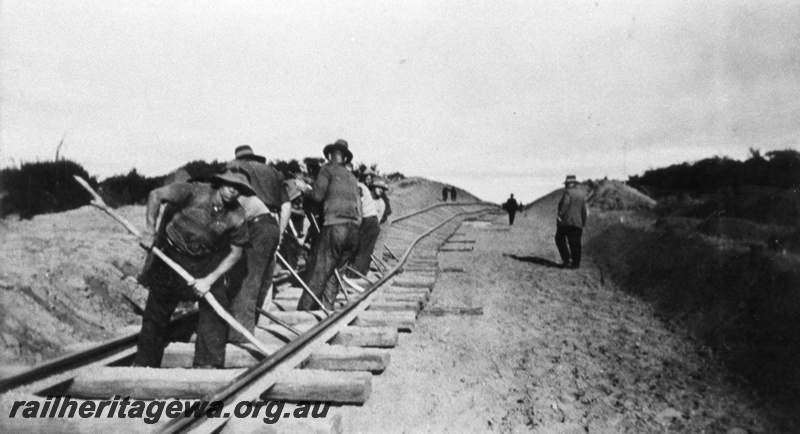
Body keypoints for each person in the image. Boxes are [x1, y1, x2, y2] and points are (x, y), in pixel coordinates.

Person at [134, 171, 254, 368]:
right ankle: (145, 362)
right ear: (220, 182)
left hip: (204, 261)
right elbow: (156, 195)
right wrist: (149, 230)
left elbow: (236, 253)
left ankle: (208, 363)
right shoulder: (193, 191)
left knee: (216, 303)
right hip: (172, 254)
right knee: (157, 309)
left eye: (239, 189)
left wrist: (209, 279)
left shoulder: (238, 215)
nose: (233, 191)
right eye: (230, 185)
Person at [225, 145, 291, 343]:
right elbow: (286, 205)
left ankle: (240, 333)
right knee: (265, 278)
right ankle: (261, 324)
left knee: (244, 279)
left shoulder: (238, 170)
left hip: (250, 220)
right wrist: (279, 233)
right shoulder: (273, 172)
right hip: (270, 222)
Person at [297, 139, 361, 311]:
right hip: (353, 229)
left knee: (319, 270)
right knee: (335, 273)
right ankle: (327, 309)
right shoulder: (352, 177)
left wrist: (305, 189)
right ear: (345, 158)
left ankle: (305, 311)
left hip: (335, 226)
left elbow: (317, 196)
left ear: (331, 155)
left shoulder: (327, 169)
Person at [348, 171, 381, 277]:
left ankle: (354, 275)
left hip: (368, 221)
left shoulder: (358, 187)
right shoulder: (363, 187)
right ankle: (360, 274)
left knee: (360, 249)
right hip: (373, 221)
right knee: (366, 251)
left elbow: (359, 211)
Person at [555, 175, 588, 269]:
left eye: (566, 184)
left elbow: (565, 203)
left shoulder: (567, 193)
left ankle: (567, 259)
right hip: (578, 223)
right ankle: (576, 264)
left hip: (566, 222)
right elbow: (584, 210)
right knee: (576, 243)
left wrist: (560, 216)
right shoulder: (581, 195)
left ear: (569, 184)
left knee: (559, 238)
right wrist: (583, 223)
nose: (566, 185)